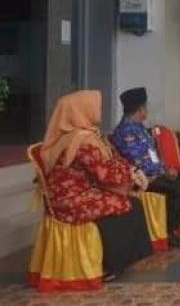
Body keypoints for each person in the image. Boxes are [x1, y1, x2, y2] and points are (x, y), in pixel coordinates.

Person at [39, 90, 152, 281]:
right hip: (70, 199)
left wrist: (131, 170)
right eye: (94, 106)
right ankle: (110, 265)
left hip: (84, 190)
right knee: (124, 205)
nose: (98, 110)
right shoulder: (79, 140)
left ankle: (123, 260)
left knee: (132, 204)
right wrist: (131, 174)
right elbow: (104, 173)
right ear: (81, 110)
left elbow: (110, 160)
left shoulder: (88, 135)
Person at [112, 88, 180, 247]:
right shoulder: (125, 131)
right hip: (142, 179)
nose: (147, 110)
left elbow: (153, 154)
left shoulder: (139, 127)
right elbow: (138, 161)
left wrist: (166, 169)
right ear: (140, 109)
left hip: (155, 173)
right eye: (146, 107)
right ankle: (169, 232)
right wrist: (162, 173)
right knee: (178, 188)